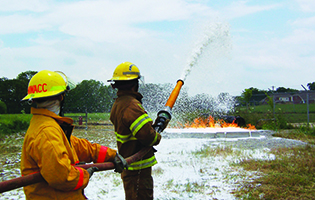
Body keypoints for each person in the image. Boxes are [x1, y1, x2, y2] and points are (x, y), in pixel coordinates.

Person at [20, 70, 127, 200]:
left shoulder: (46, 125)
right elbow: (62, 177)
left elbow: (78, 146)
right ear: (61, 97)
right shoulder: (47, 131)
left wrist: (111, 155)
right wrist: (84, 175)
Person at [108, 62, 167, 200]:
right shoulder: (131, 106)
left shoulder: (119, 103)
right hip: (137, 170)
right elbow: (150, 138)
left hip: (131, 169)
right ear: (135, 83)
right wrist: (157, 132)